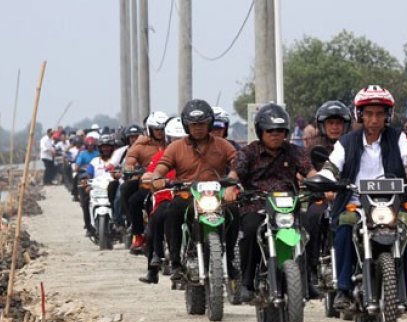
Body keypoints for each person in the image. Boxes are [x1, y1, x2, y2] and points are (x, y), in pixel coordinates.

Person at [316, 85, 407, 311]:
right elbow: (331, 166)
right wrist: (325, 180)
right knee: (344, 226)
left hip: (392, 204)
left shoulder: (397, 138)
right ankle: (343, 289)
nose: (374, 119)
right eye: (369, 114)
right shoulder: (346, 142)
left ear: (387, 115)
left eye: (379, 114)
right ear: (360, 114)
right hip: (356, 203)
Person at [226, 103, 316, 303]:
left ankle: (307, 279)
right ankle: (247, 282)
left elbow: (309, 171)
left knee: (307, 230)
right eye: (270, 130)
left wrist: (321, 184)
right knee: (250, 230)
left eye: (280, 130)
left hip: (287, 206)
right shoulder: (249, 152)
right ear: (260, 131)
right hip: (256, 203)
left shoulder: (294, 151)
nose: (276, 134)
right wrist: (231, 187)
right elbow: (236, 171)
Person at [147, 99, 239, 280]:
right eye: (194, 124)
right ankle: (175, 263)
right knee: (172, 211)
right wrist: (157, 178)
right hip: (187, 194)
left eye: (202, 124)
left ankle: (229, 261)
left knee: (234, 211)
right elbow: (161, 167)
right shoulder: (176, 147)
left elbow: (237, 164)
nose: (198, 128)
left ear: (209, 123)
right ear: (186, 125)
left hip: (217, 195)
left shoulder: (222, 145)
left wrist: (232, 183)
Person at [304, 100, 352, 298]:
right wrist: (320, 185)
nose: (335, 127)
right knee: (311, 219)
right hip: (321, 197)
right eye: (331, 123)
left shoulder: (353, 143)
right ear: (322, 125)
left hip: (349, 196)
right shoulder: (313, 146)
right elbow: (304, 170)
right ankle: (310, 270)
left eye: (339, 123)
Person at [138, 117, 185, 284]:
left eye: (181, 139)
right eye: (174, 140)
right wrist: (150, 178)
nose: (177, 143)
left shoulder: (194, 157)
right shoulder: (161, 157)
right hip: (165, 197)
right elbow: (149, 174)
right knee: (156, 221)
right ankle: (154, 265)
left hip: (188, 198)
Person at [123, 111, 169, 254]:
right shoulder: (141, 144)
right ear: (150, 129)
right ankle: (137, 233)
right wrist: (131, 167)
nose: (160, 133)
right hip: (149, 183)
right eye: (157, 129)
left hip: (172, 182)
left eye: (163, 129)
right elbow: (130, 159)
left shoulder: (174, 143)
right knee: (133, 199)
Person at [74, 136, 100, 236]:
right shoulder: (82, 154)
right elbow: (77, 168)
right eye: (88, 145)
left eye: (92, 145)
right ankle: (89, 227)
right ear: (85, 146)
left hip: (96, 179)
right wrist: (84, 168)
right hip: (84, 179)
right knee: (85, 204)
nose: (90, 147)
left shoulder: (98, 154)